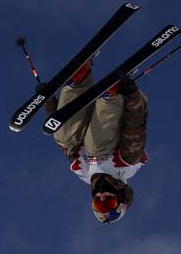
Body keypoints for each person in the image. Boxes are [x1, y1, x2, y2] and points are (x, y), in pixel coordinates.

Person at [46, 62, 148, 224]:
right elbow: (135, 125)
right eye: (108, 202)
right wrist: (131, 94)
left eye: (98, 203)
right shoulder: (126, 164)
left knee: (66, 139)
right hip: (125, 102)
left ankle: (79, 81)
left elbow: (65, 143)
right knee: (95, 150)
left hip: (92, 117)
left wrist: (51, 109)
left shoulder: (83, 172)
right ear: (120, 197)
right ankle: (111, 95)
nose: (101, 196)